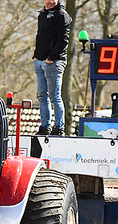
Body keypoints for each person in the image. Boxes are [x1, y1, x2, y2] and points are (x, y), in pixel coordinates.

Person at [33, 0, 72, 136]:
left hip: (54, 62)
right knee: (42, 96)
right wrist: (36, 55)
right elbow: (40, 36)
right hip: (40, 60)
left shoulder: (61, 15)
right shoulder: (42, 14)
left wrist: (51, 57)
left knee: (55, 96)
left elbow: (64, 40)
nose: (50, 1)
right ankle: (45, 127)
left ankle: (59, 127)